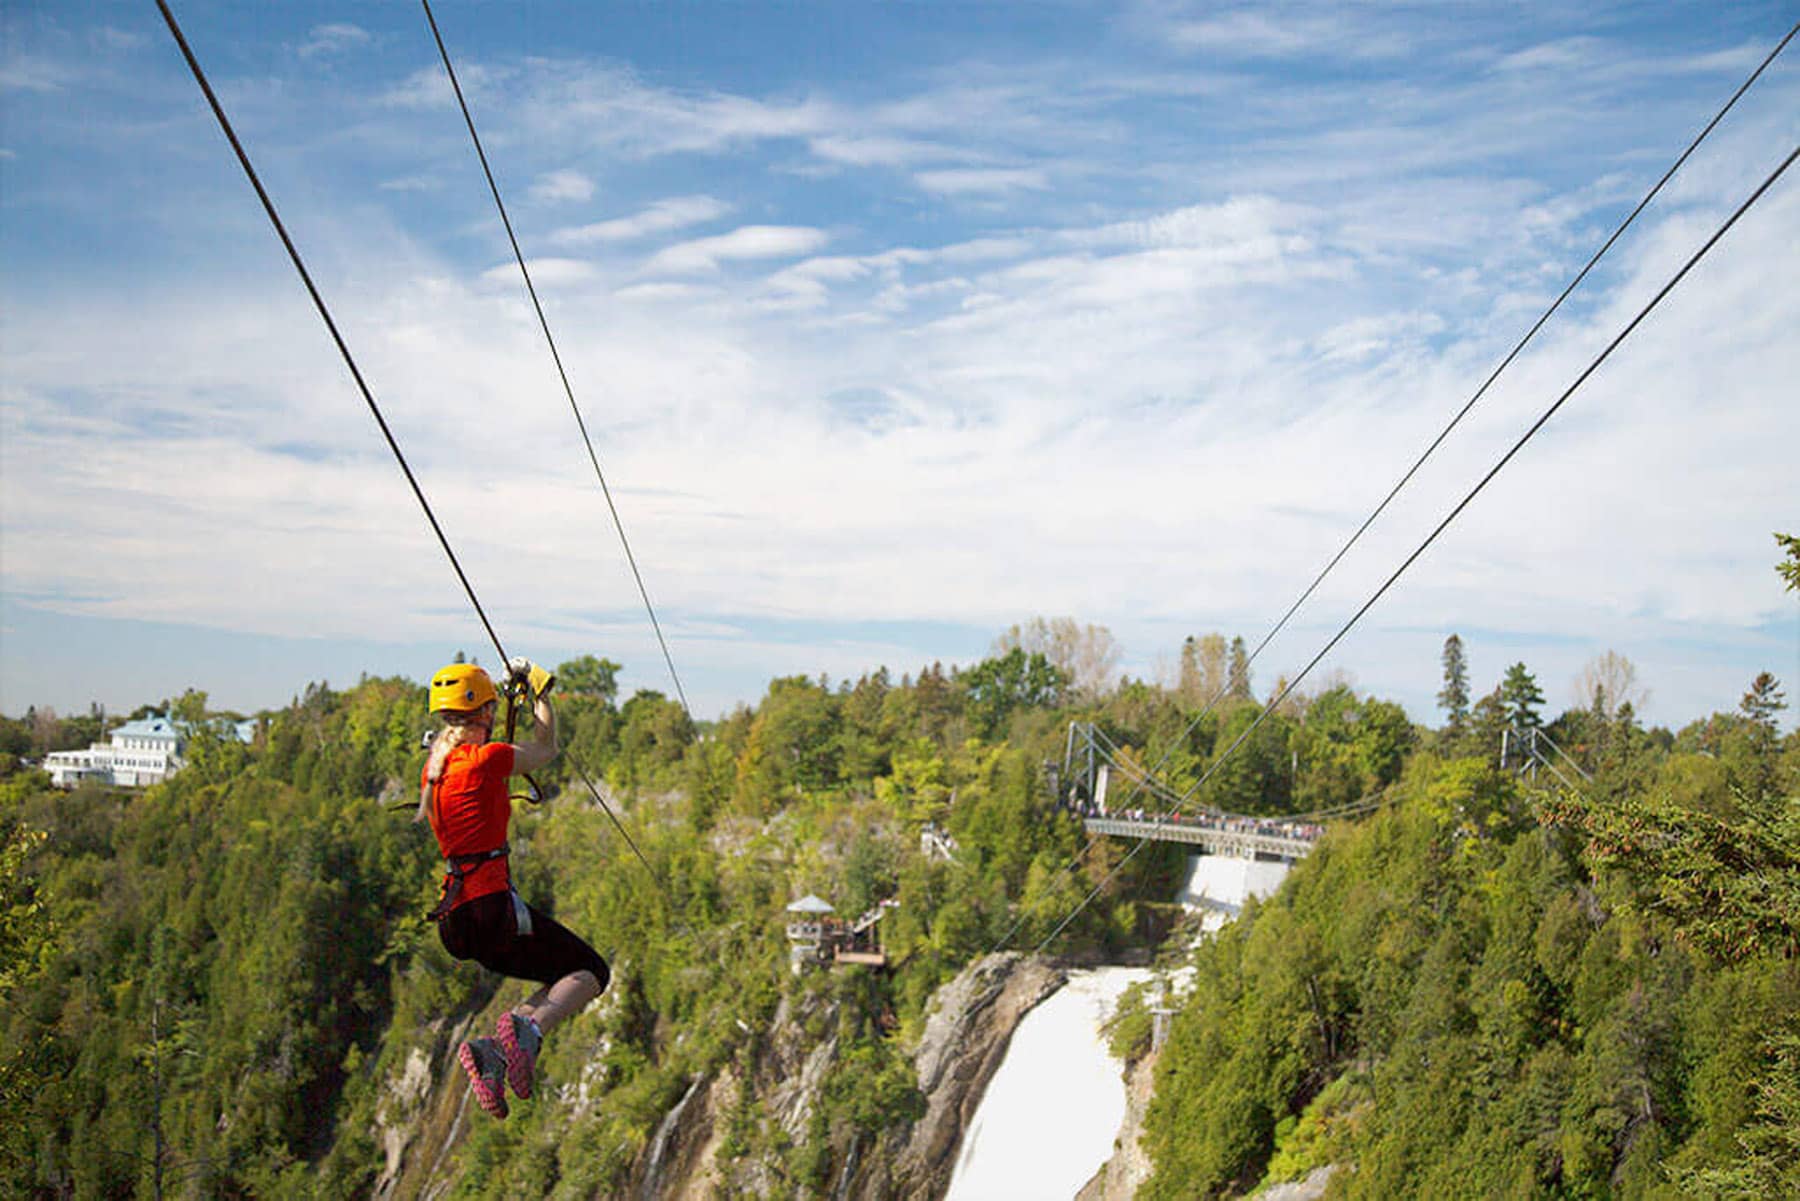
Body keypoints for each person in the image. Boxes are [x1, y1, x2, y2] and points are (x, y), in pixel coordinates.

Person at [418, 658, 609, 1119]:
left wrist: (508, 703)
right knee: (590, 972)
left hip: (456, 921)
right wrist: (539, 695)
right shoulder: (486, 758)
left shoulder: (436, 768)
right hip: (489, 909)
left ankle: (494, 1053)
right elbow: (546, 748)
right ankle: (530, 1035)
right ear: (484, 711)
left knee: (558, 979)